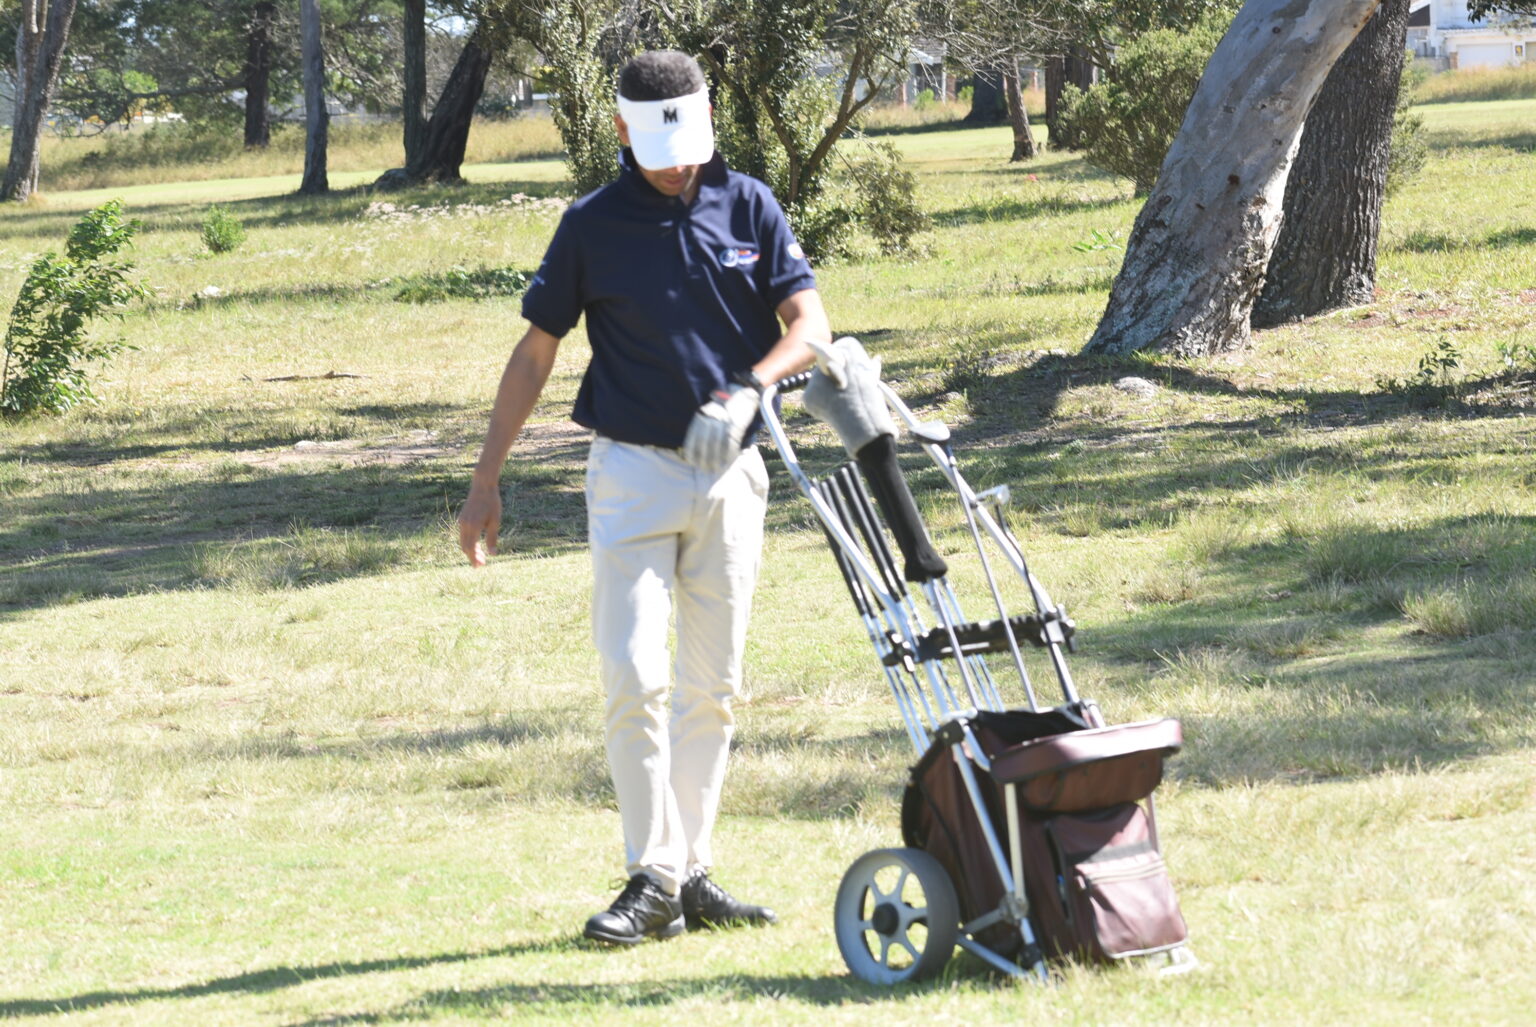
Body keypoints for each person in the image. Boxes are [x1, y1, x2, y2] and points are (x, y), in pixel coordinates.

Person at [457, 50, 831, 946]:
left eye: (691, 146)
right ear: (623, 129)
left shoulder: (750, 203)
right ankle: (653, 870)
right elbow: (536, 352)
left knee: (714, 689)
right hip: (631, 475)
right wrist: (486, 475)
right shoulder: (590, 224)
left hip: (731, 474)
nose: (678, 165)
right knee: (634, 673)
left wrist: (753, 386)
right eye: (661, 148)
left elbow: (810, 326)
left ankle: (684, 873)